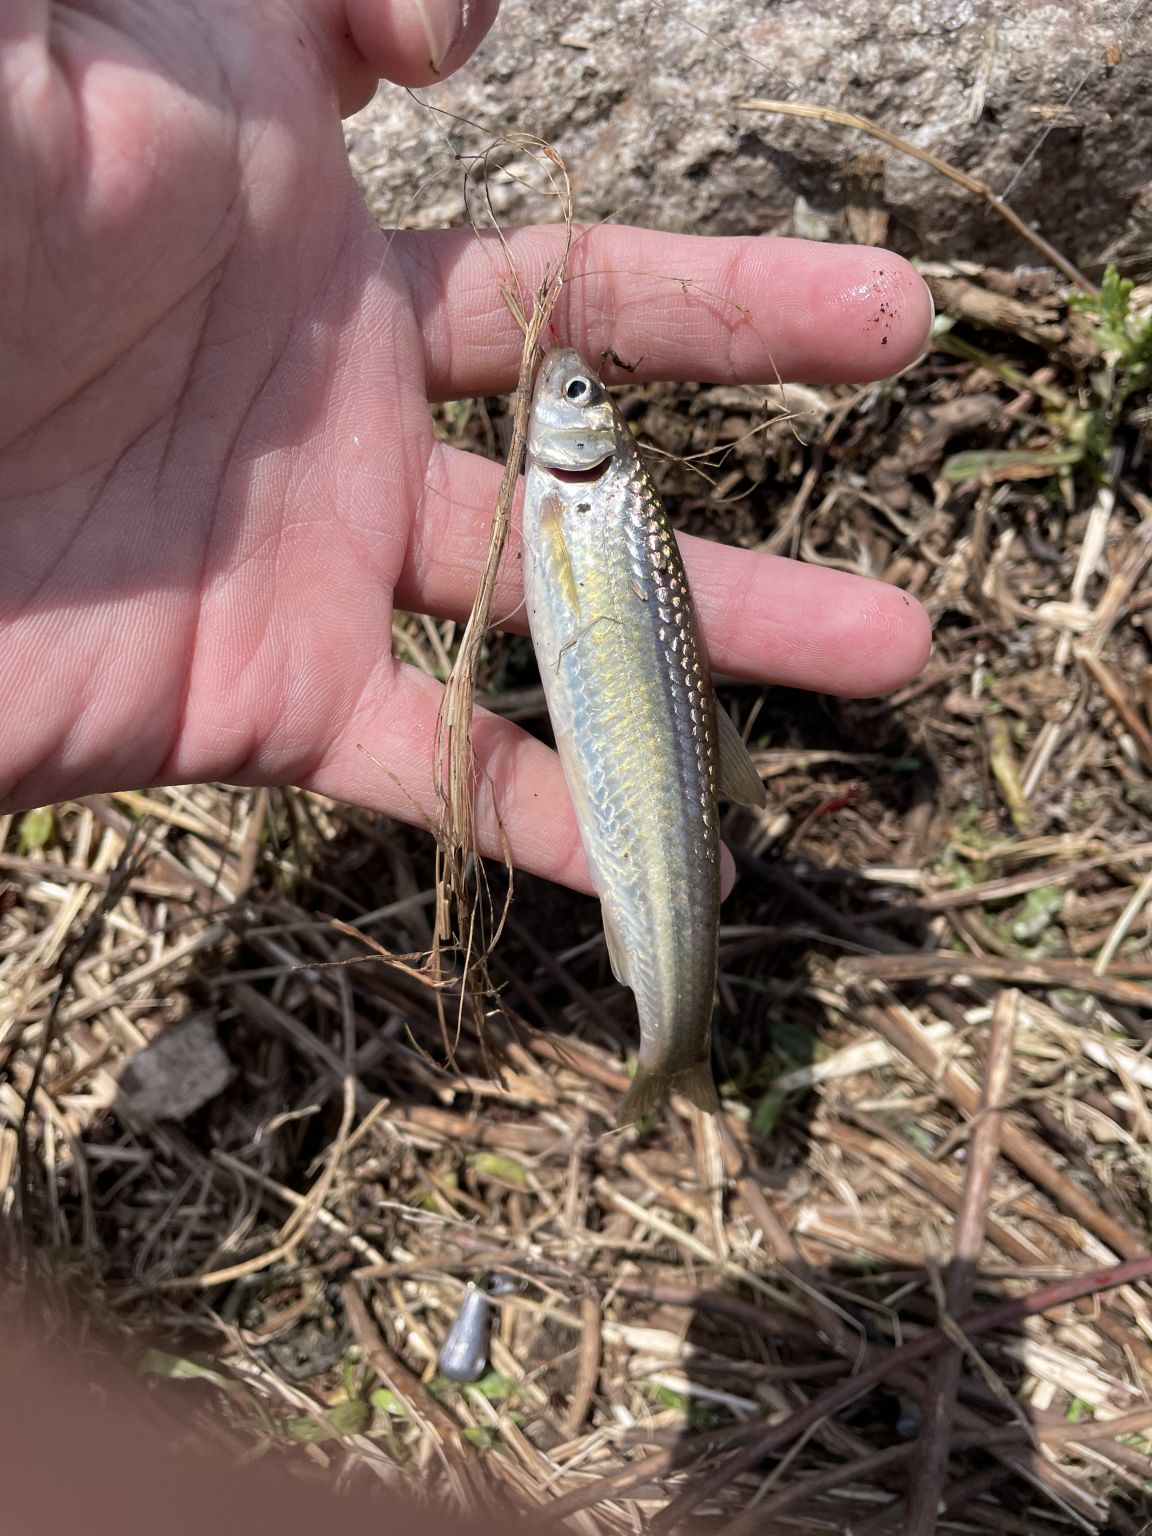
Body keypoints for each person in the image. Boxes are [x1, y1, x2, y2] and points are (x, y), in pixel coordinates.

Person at [0, 0, 932, 1527]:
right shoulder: (579, 497)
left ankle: (669, 1027)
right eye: (571, 397)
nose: (562, 397)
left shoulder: (584, 495)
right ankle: (672, 1033)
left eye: (576, 404)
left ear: (584, 453)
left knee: (654, 860)